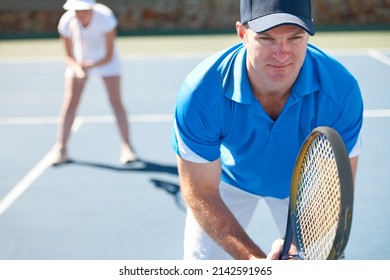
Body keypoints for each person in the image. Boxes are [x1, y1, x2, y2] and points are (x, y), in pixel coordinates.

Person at [171, 0, 363, 260]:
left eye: (295, 38)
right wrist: (256, 263)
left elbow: (335, 188)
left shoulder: (341, 91)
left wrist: (294, 249)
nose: (282, 53)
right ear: (242, 34)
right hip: (228, 183)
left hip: (304, 191)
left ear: (308, 34)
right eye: (267, 39)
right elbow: (200, 191)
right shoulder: (201, 93)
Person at [52, 0, 137, 165]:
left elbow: (109, 55)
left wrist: (90, 66)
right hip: (79, 64)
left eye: (83, 9)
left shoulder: (105, 16)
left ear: (91, 8)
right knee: (70, 103)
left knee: (116, 102)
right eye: (76, 9)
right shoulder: (67, 21)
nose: (79, 13)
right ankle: (61, 149)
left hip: (107, 62)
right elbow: (68, 56)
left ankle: (127, 147)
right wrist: (78, 69)